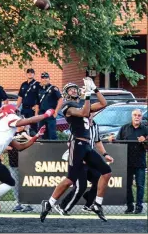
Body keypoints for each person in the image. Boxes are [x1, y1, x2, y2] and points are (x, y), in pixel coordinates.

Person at [40, 78, 112, 223]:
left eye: (75, 88)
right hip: (77, 143)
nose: (73, 90)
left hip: (86, 146)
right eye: (70, 89)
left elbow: (104, 104)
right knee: (70, 179)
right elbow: (84, 112)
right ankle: (49, 203)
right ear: (66, 94)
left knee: (106, 172)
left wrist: (95, 90)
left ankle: (97, 204)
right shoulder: (68, 106)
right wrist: (87, 95)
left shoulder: (82, 102)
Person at [55, 113, 114, 215]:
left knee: (98, 179)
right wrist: (79, 156)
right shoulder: (79, 124)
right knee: (81, 186)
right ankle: (62, 207)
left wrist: (105, 154)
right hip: (78, 158)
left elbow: (97, 141)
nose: (90, 115)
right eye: (89, 113)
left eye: (92, 113)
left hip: (89, 158)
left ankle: (89, 204)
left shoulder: (95, 125)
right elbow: (70, 143)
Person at [109, 109, 148, 214]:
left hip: (140, 162)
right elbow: (118, 143)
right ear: (132, 116)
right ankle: (130, 206)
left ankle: (139, 206)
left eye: (139, 115)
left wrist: (144, 142)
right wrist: (113, 141)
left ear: (141, 117)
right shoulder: (124, 128)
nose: (137, 117)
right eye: (135, 115)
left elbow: (147, 147)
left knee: (140, 185)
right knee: (127, 185)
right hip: (127, 161)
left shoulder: (145, 129)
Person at [7, 124, 34, 212]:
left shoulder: (29, 132)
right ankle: (19, 203)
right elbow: (6, 145)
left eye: (22, 124)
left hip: (26, 163)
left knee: (26, 184)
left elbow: (33, 141)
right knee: (15, 184)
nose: (20, 126)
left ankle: (28, 204)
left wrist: (25, 135)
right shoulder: (11, 133)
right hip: (13, 163)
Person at [35, 72, 63, 140]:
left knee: (52, 134)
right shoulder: (39, 90)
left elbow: (60, 99)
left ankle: (54, 149)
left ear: (49, 79)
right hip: (42, 115)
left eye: (46, 78)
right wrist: (36, 114)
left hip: (51, 114)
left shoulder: (53, 89)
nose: (45, 79)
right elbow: (37, 103)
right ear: (41, 79)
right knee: (42, 134)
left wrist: (56, 111)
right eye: (43, 78)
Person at [16, 68, 40, 136]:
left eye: (31, 72)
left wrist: (37, 107)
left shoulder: (38, 84)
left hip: (32, 110)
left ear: (34, 74)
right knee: (23, 126)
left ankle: (34, 140)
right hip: (24, 109)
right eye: (28, 73)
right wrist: (17, 107)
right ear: (26, 74)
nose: (30, 74)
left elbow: (40, 97)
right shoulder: (23, 84)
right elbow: (20, 97)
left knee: (33, 127)